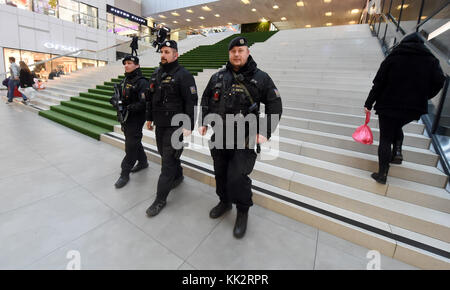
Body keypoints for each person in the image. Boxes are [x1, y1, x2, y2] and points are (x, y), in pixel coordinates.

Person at [198, 36, 283, 238]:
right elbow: (206, 97)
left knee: (237, 178)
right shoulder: (218, 77)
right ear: (229, 54)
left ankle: (242, 211)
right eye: (233, 51)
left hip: (244, 139)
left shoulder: (261, 78)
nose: (237, 54)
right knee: (220, 173)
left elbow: (275, 105)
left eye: (241, 50)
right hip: (219, 136)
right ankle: (224, 202)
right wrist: (203, 120)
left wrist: (265, 131)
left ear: (248, 53)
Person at [364, 32, 445, 184]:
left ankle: (382, 174)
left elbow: (379, 83)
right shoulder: (431, 60)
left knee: (386, 137)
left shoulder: (394, 57)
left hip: (388, 104)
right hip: (413, 107)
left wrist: (368, 103)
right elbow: (440, 81)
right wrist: (425, 96)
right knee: (396, 127)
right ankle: (398, 150)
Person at [145, 40, 198, 217]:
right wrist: (149, 118)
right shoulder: (156, 73)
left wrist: (189, 125)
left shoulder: (184, 75)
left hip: (176, 126)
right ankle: (179, 175)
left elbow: (191, 102)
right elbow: (151, 98)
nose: (163, 55)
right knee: (165, 154)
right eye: (162, 52)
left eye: (167, 52)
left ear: (176, 55)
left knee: (166, 163)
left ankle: (160, 199)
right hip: (160, 124)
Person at [111, 55, 150, 188]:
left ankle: (124, 173)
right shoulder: (125, 80)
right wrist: (114, 100)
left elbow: (144, 103)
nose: (126, 65)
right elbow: (119, 96)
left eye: (130, 63)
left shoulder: (142, 82)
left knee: (130, 145)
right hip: (126, 117)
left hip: (136, 118)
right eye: (125, 63)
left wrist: (128, 107)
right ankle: (143, 162)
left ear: (137, 65)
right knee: (134, 141)